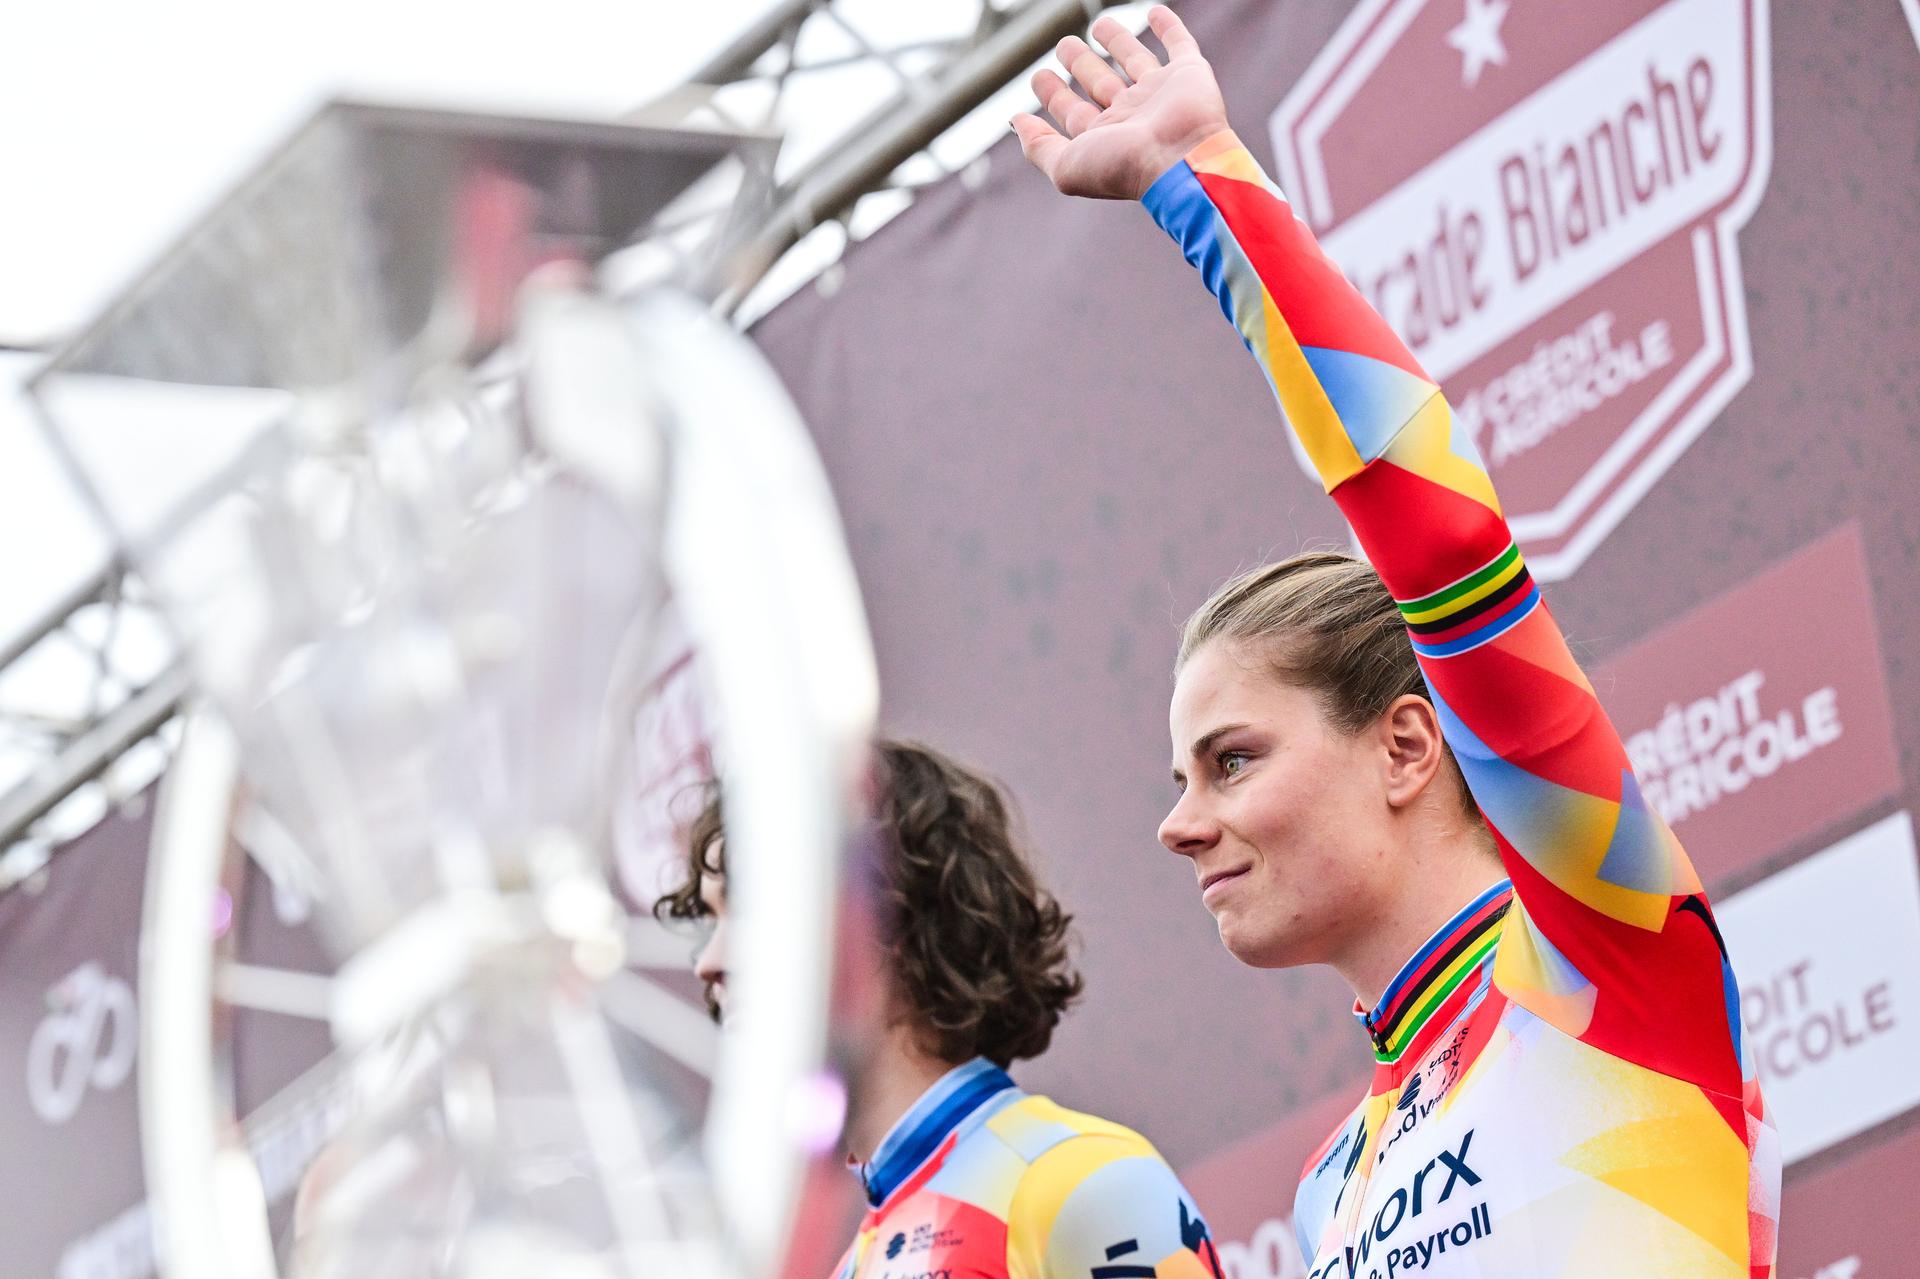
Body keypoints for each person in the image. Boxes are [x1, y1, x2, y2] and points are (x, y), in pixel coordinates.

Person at [1012, 9, 1778, 1277]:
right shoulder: (1335, 1189)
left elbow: (1434, 534)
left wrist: (1200, 175)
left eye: (1233, 759)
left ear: (1411, 742)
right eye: (1185, 778)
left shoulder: (1600, 949)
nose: (1180, 823)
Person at [657, 738, 1227, 1279]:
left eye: (750, 908)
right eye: (710, 921)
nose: (708, 961)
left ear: (878, 913)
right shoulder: (854, 1259)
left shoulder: (1081, 1179)